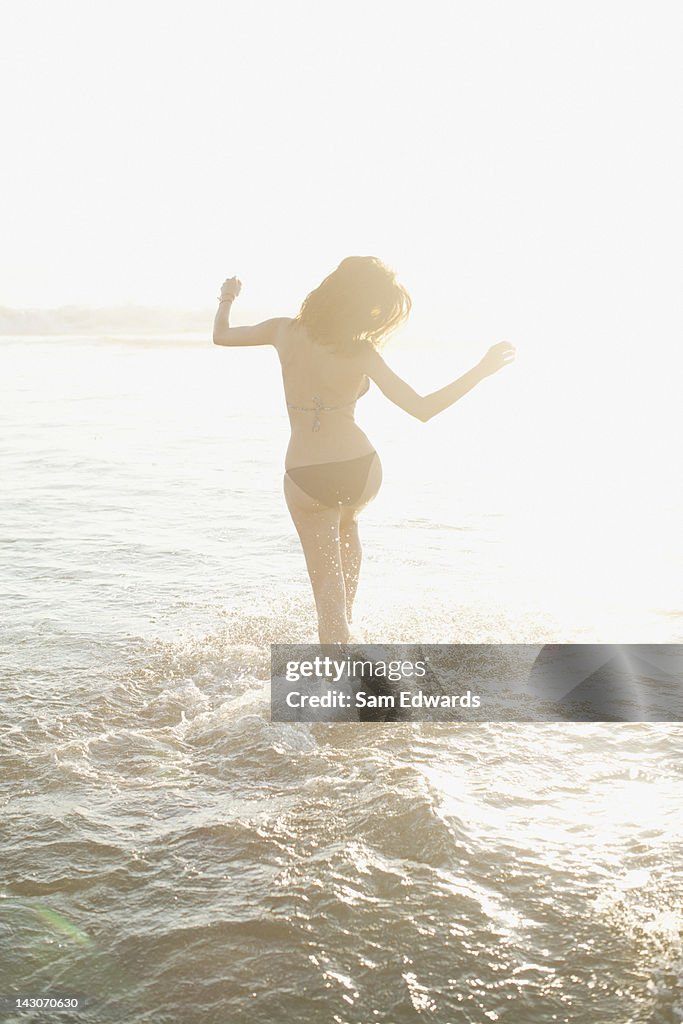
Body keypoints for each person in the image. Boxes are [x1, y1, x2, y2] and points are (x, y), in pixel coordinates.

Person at [213, 256, 515, 643]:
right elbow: (422, 409)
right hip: (361, 470)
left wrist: (227, 297)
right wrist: (481, 370)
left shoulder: (282, 331)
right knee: (347, 525)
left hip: (308, 476)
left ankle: (335, 674)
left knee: (326, 599)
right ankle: (349, 631)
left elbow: (221, 335)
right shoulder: (361, 352)